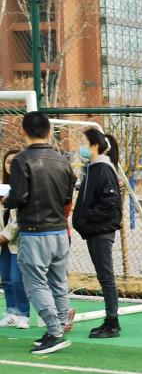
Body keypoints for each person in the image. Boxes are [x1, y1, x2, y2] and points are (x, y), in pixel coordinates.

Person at [1, 112, 76, 354]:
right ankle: (59, 326)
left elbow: (20, 196)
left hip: (35, 231)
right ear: (49, 131)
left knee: (35, 284)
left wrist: (6, 200)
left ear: (23, 131)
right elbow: (67, 196)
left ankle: (55, 333)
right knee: (58, 282)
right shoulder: (62, 160)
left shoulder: (22, 160)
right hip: (59, 231)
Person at [71, 128, 123, 338]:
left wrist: (86, 216)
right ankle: (110, 320)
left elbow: (111, 203)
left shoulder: (102, 168)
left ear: (94, 145)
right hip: (94, 230)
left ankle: (112, 323)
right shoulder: (92, 168)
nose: (80, 146)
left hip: (101, 230)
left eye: (83, 142)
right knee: (104, 276)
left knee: (106, 276)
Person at [0, 149, 30, 329]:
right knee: (6, 278)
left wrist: (5, 235)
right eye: (8, 161)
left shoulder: (22, 187)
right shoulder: (2, 186)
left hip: (16, 242)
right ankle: (11, 312)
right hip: (2, 243)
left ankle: (24, 314)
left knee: (17, 279)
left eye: (14, 161)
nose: (10, 165)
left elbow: (19, 217)